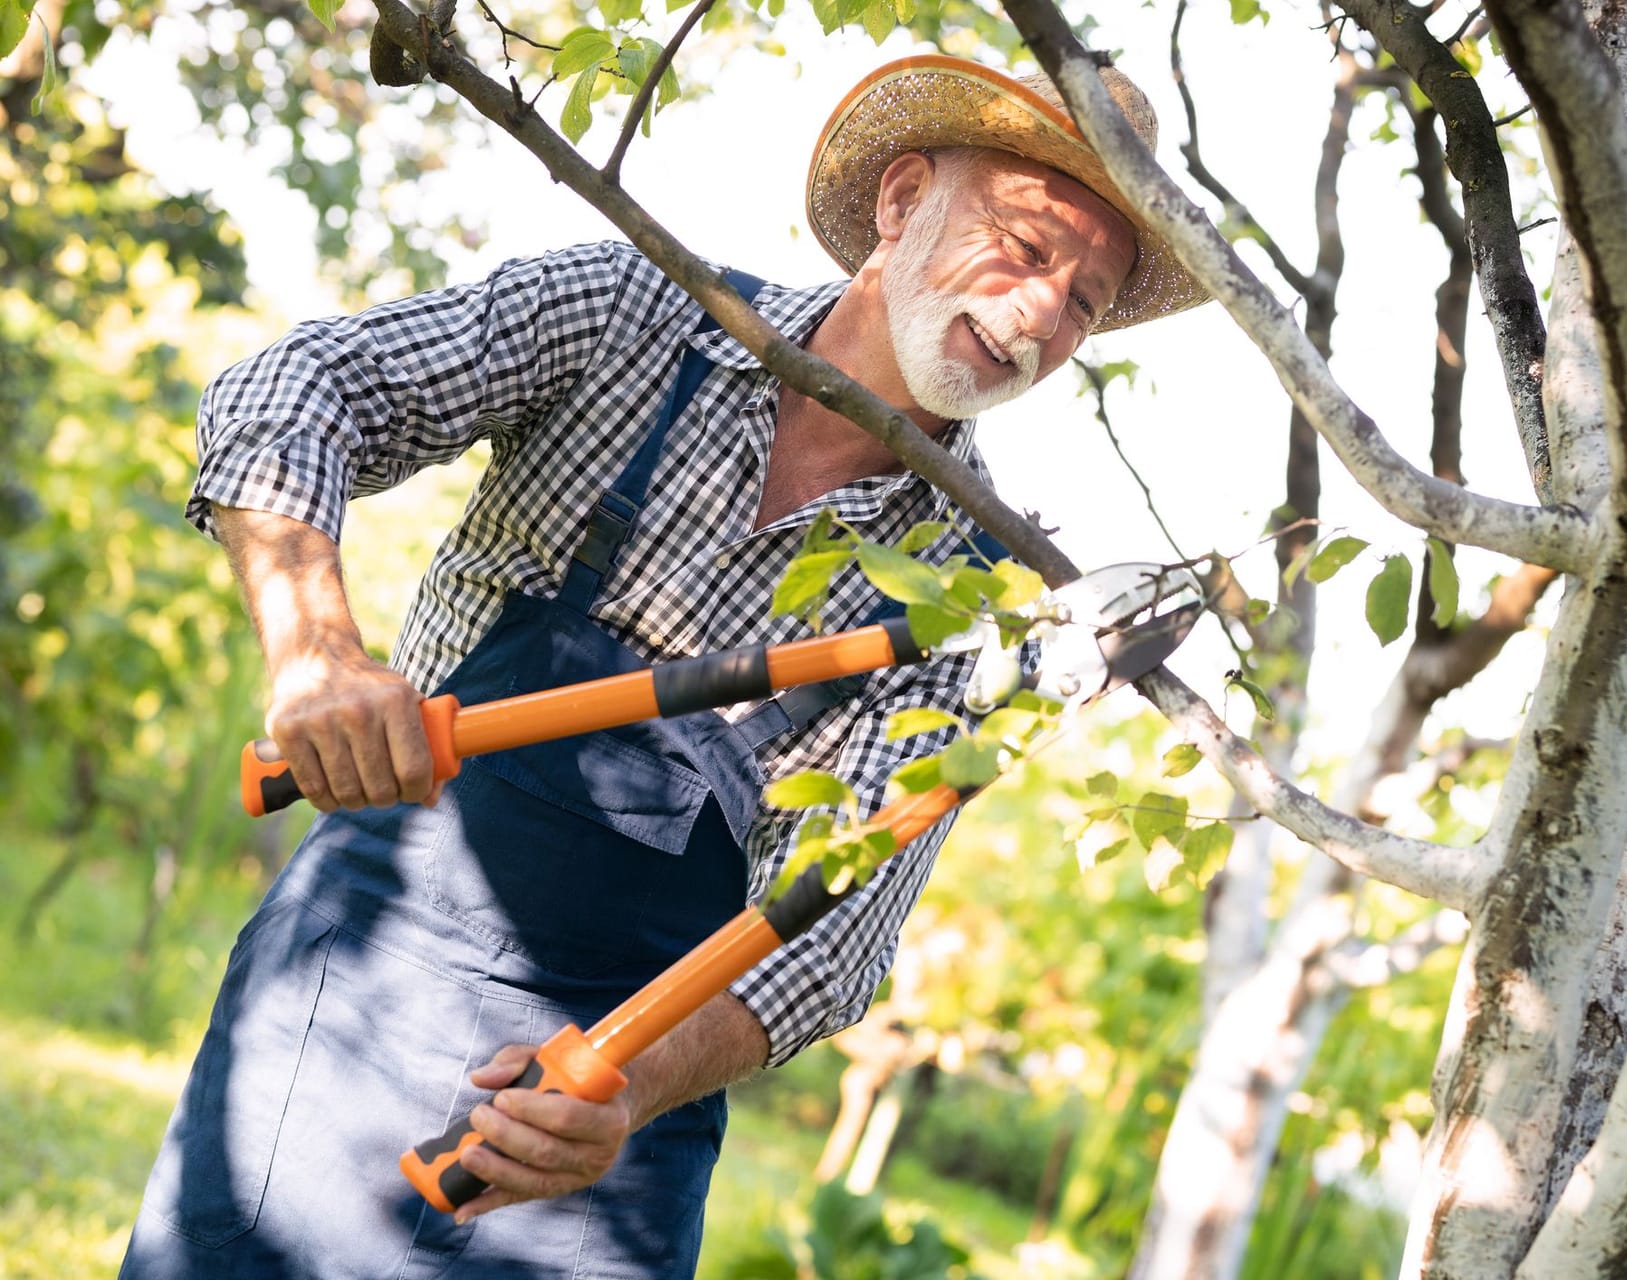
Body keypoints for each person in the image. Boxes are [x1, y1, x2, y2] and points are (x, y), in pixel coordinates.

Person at [121, 52, 1205, 1279]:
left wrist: (620, 1090)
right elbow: (300, 384)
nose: (1041, 316)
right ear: (904, 199)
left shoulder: (964, 602)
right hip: (356, 988)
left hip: (612, 1117)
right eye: (1022, 245)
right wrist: (317, 648)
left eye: (1086, 299)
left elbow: (834, 932)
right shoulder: (635, 317)